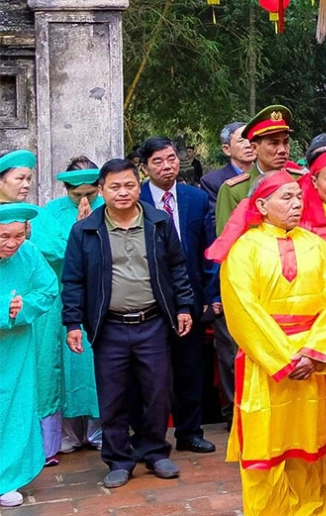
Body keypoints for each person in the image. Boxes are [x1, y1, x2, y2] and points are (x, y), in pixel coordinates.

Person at [209, 170, 326, 516]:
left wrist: (314, 353)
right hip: (265, 366)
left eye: (299, 196)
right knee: (264, 455)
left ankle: (311, 510)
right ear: (262, 204)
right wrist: (284, 358)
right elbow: (242, 310)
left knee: (309, 452)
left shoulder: (318, 246)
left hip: (312, 365)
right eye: (286, 197)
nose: (296, 203)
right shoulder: (244, 250)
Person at [60, 159, 194, 488]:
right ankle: (119, 459)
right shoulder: (85, 230)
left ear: (139, 185)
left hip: (153, 322)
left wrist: (184, 306)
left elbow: (178, 268)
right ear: (101, 190)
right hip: (109, 326)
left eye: (129, 185)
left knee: (157, 391)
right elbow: (73, 280)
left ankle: (154, 451)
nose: (123, 192)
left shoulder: (159, 223)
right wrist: (73, 322)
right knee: (113, 396)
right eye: (115, 187)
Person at [134, 137, 220, 455]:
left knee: (190, 368)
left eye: (171, 158)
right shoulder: (135, 199)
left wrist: (212, 295)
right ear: (144, 168)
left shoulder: (195, 198)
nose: (167, 166)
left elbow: (208, 250)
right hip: (148, 298)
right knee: (149, 372)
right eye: (157, 161)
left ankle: (189, 432)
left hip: (191, 297)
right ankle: (148, 438)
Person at [32, 160, 101, 454]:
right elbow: (50, 251)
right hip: (64, 296)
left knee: (95, 366)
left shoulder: (109, 207)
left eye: (90, 193)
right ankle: (69, 434)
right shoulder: (48, 213)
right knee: (67, 367)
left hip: (98, 297)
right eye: (76, 195)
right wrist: (78, 232)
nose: (84, 201)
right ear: (66, 190)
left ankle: (100, 432)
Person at [0, 203, 57, 508]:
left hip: (17, 345)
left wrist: (24, 309)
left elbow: (48, 289)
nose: (11, 243)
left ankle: (7, 478)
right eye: (4, 236)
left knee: (14, 407)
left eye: (18, 236)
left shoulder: (29, 253)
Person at [216, 107, 301, 231]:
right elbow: (227, 242)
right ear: (254, 148)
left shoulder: (300, 180)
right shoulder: (234, 190)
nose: (282, 150)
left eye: (285, 142)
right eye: (274, 143)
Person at [200, 122, 253, 198]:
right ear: (227, 149)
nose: (248, 145)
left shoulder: (267, 173)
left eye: (251, 139)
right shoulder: (212, 182)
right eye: (241, 141)